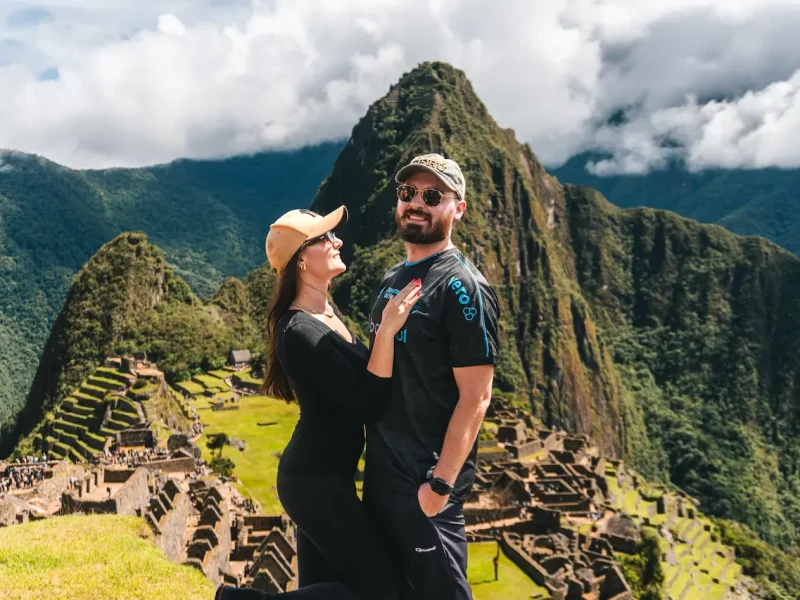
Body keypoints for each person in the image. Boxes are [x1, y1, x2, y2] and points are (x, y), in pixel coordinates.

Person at [216, 206, 420, 600]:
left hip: (330, 477)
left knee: (317, 588)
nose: (337, 241)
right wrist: (388, 332)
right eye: (325, 237)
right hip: (314, 482)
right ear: (302, 260)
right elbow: (365, 402)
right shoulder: (299, 332)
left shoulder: (326, 313)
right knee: (381, 591)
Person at [364, 153, 500, 599]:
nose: (416, 203)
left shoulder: (462, 287)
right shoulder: (392, 278)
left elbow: (477, 396)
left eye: (432, 195)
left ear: (457, 208)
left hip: (423, 484)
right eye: (408, 194)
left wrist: (439, 486)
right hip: (383, 475)